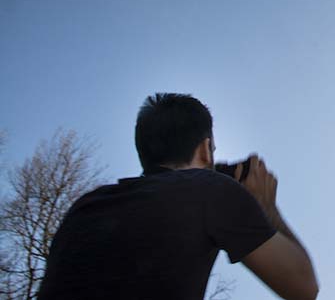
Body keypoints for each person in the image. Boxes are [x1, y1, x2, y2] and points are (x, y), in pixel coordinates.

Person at [38, 93, 318, 300]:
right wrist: (268, 209)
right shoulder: (212, 189)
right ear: (206, 150)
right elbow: (303, 288)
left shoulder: (85, 205)